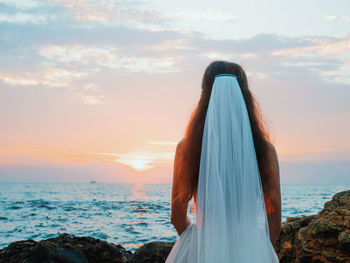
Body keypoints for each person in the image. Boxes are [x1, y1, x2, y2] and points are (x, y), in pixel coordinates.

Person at [166, 61, 281, 262]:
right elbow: (275, 219)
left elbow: (177, 216)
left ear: (204, 97)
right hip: (250, 249)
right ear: (244, 97)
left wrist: (199, 242)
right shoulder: (266, 151)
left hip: (201, 249)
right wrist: (257, 248)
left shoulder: (187, 149)